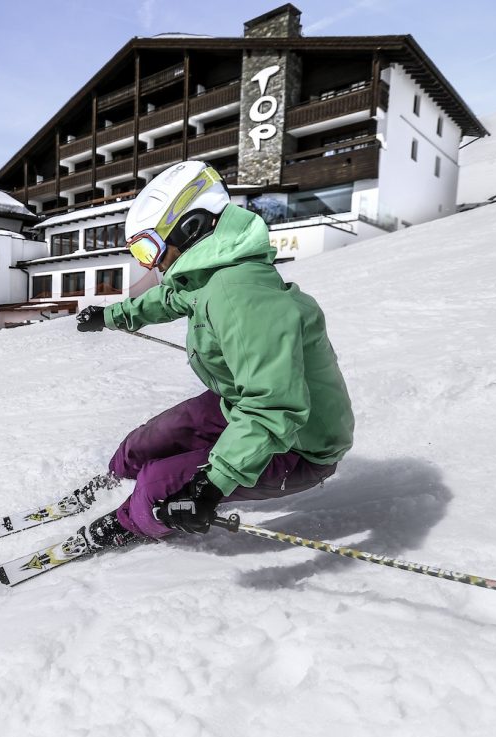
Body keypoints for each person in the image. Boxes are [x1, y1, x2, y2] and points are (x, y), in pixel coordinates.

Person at [75, 160, 354, 546]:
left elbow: (275, 407)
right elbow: (170, 298)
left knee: (161, 484)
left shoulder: (241, 297)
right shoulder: (212, 275)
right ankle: (115, 482)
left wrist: (212, 483)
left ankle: (134, 521)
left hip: (300, 444)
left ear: (191, 227)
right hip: (240, 404)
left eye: (149, 247)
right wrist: (110, 316)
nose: (150, 262)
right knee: (148, 441)